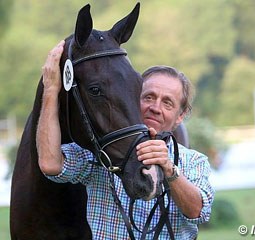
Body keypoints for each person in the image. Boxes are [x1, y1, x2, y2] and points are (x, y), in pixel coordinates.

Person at [37, 40, 215, 240]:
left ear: (180, 116)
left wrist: (168, 168)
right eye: (148, 97)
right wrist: (51, 90)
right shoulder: (102, 155)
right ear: (132, 97)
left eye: (167, 102)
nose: (155, 107)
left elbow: (197, 211)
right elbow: (50, 164)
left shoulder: (193, 161)